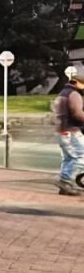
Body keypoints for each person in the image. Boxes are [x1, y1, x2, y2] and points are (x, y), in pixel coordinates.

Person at [52, 66, 84, 195]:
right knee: (80, 156)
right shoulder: (73, 94)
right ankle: (65, 181)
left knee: (68, 158)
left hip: (61, 130)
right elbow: (77, 113)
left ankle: (65, 185)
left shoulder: (62, 93)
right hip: (70, 130)